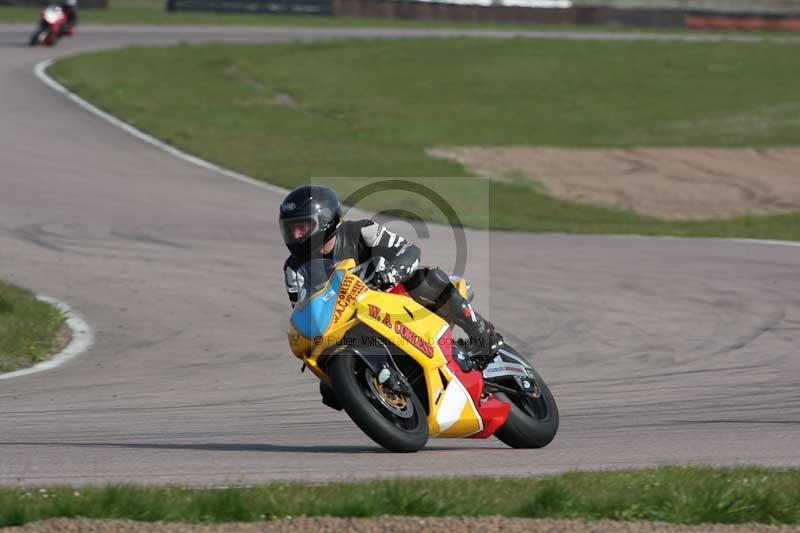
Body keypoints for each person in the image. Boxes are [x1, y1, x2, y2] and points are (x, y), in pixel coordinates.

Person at [280, 185, 503, 374]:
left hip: (394, 299)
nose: (296, 235)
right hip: (350, 323)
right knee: (329, 389)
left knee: (424, 277)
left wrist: (393, 271)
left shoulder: (362, 231)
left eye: (303, 227)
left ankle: (482, 334)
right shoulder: (294, 268)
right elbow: (305, 310)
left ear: (326, 220)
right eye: (291, 230)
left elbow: (408, 250)